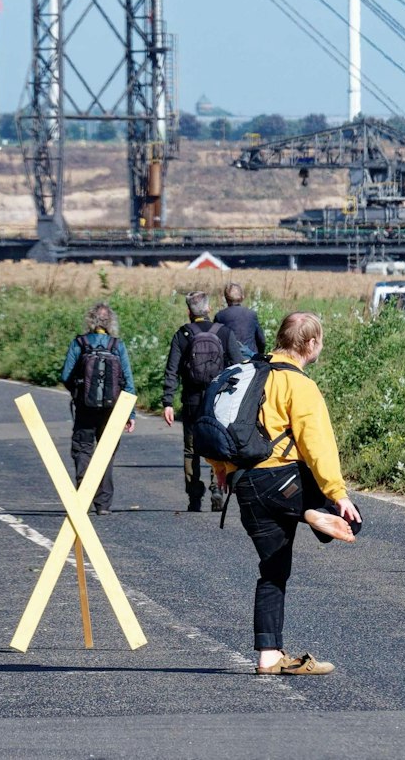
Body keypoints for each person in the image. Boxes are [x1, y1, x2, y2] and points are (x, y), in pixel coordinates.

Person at [218, 312, 362, 677]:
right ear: (311, 344)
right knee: (352, 520)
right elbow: (317, 446)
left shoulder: (244, 373)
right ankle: (310, 511)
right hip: (283, 482)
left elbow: (216, 422)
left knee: (273, 569)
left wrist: (220, 469)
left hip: (245, 485)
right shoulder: (300, 386)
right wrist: (336, 494)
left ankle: (268, 655)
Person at [161, 291, 245, 512]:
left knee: (191, 450)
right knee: (214, 444)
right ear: (209, 309)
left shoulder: (182, 334)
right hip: (217, 401)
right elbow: (238, 366)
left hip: (191, 400)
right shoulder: (224, 333)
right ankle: (216, 487)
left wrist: (167, 401)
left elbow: (172, 371)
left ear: (189, 311)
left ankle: (194, 497)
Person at [58, 302, 136, 515]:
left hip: (85, 407)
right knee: (106, 452)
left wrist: (79, 392)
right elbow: (128, 381)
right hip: (113, 409)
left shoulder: (80, 343)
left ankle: (83, 496)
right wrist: (130, 414)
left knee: (83, 449)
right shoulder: (116, 345)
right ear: (110, 322)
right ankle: (103, 504)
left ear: (90, 320)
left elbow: (65, 375)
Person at [215, 283, 269, 361]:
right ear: (242, 297)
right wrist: (260, 355)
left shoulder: (220, 316)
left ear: (226, 299)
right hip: (251, 359)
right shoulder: (251, 314)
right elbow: (261, 340)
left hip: (230, 360)